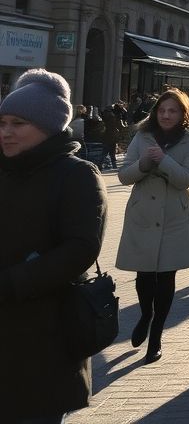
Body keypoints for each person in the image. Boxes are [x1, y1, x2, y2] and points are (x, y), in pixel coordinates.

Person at [0, 69, 108, 424]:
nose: (6, 132)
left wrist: (15, 281)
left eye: (18, 123)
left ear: (47, 126)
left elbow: (80, 249)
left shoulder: (77, 174)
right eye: (2, 122)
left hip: (44, 335)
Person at [116, 88, 189, 364]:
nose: (166, 115)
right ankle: (145, 314)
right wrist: (143, 163)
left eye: (173, 111)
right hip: (143, 213)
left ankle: (156, 337)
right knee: (144, 277)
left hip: (174, 217)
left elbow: (186, 179)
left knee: (166, 278)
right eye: (162, 110)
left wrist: (163, 161)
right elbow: (123, 176)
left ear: (183, 115)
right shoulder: (142, 135)